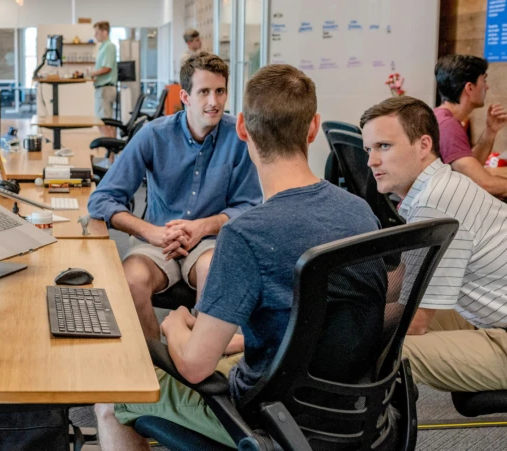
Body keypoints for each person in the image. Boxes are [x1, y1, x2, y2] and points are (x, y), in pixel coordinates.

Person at [94, 64, 383, 450]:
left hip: (267, 419)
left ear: (243, 127)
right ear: (314, 128)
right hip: (353, 414)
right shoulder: (361, 212)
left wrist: (177, 325)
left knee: (110, 400)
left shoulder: (245, 235)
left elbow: (196, 368)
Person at [87, 52, 261, 341]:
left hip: (209, 242)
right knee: (131, 280)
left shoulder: (239, 137)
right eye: (203, 92)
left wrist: (202, 227)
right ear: (185, 96)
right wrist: (150, 232)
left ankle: (197, 361)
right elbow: (101, 199)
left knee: (214, 272)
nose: (213, 102)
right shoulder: (153, 135)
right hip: (158, 240)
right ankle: (158, 362)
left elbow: (250, 206)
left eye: (220, 92)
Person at [361, 96, 507, 392]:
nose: (371, 161)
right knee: (363, 321)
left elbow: (415, 322)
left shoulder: (436, 202)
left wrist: (333, 324)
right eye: (369, 149)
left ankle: (361, 436)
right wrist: (341, 298)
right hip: (491, 319)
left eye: (384, 147)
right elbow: (405, 279)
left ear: (424, 145)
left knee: (385, 349)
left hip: (500, 334)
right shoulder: (437, 188)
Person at [433, 54, 507, 197]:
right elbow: (484, 184)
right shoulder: (448, 126)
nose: (487, 87)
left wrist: (490, 131)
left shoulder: (442, 117)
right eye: (483, 80)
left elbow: (470, 171)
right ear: (469, 87)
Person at [90, 21, 118, 138]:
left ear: (105, 32)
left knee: (104, 123)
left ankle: (111, 154)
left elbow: (107, 68)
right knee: (104, 122)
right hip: (102, 89)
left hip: (105, 89)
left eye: (97, 33)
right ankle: (111, 154)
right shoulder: (103, 48)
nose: (95, 36)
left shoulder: (109, 46)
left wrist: (92, 73)